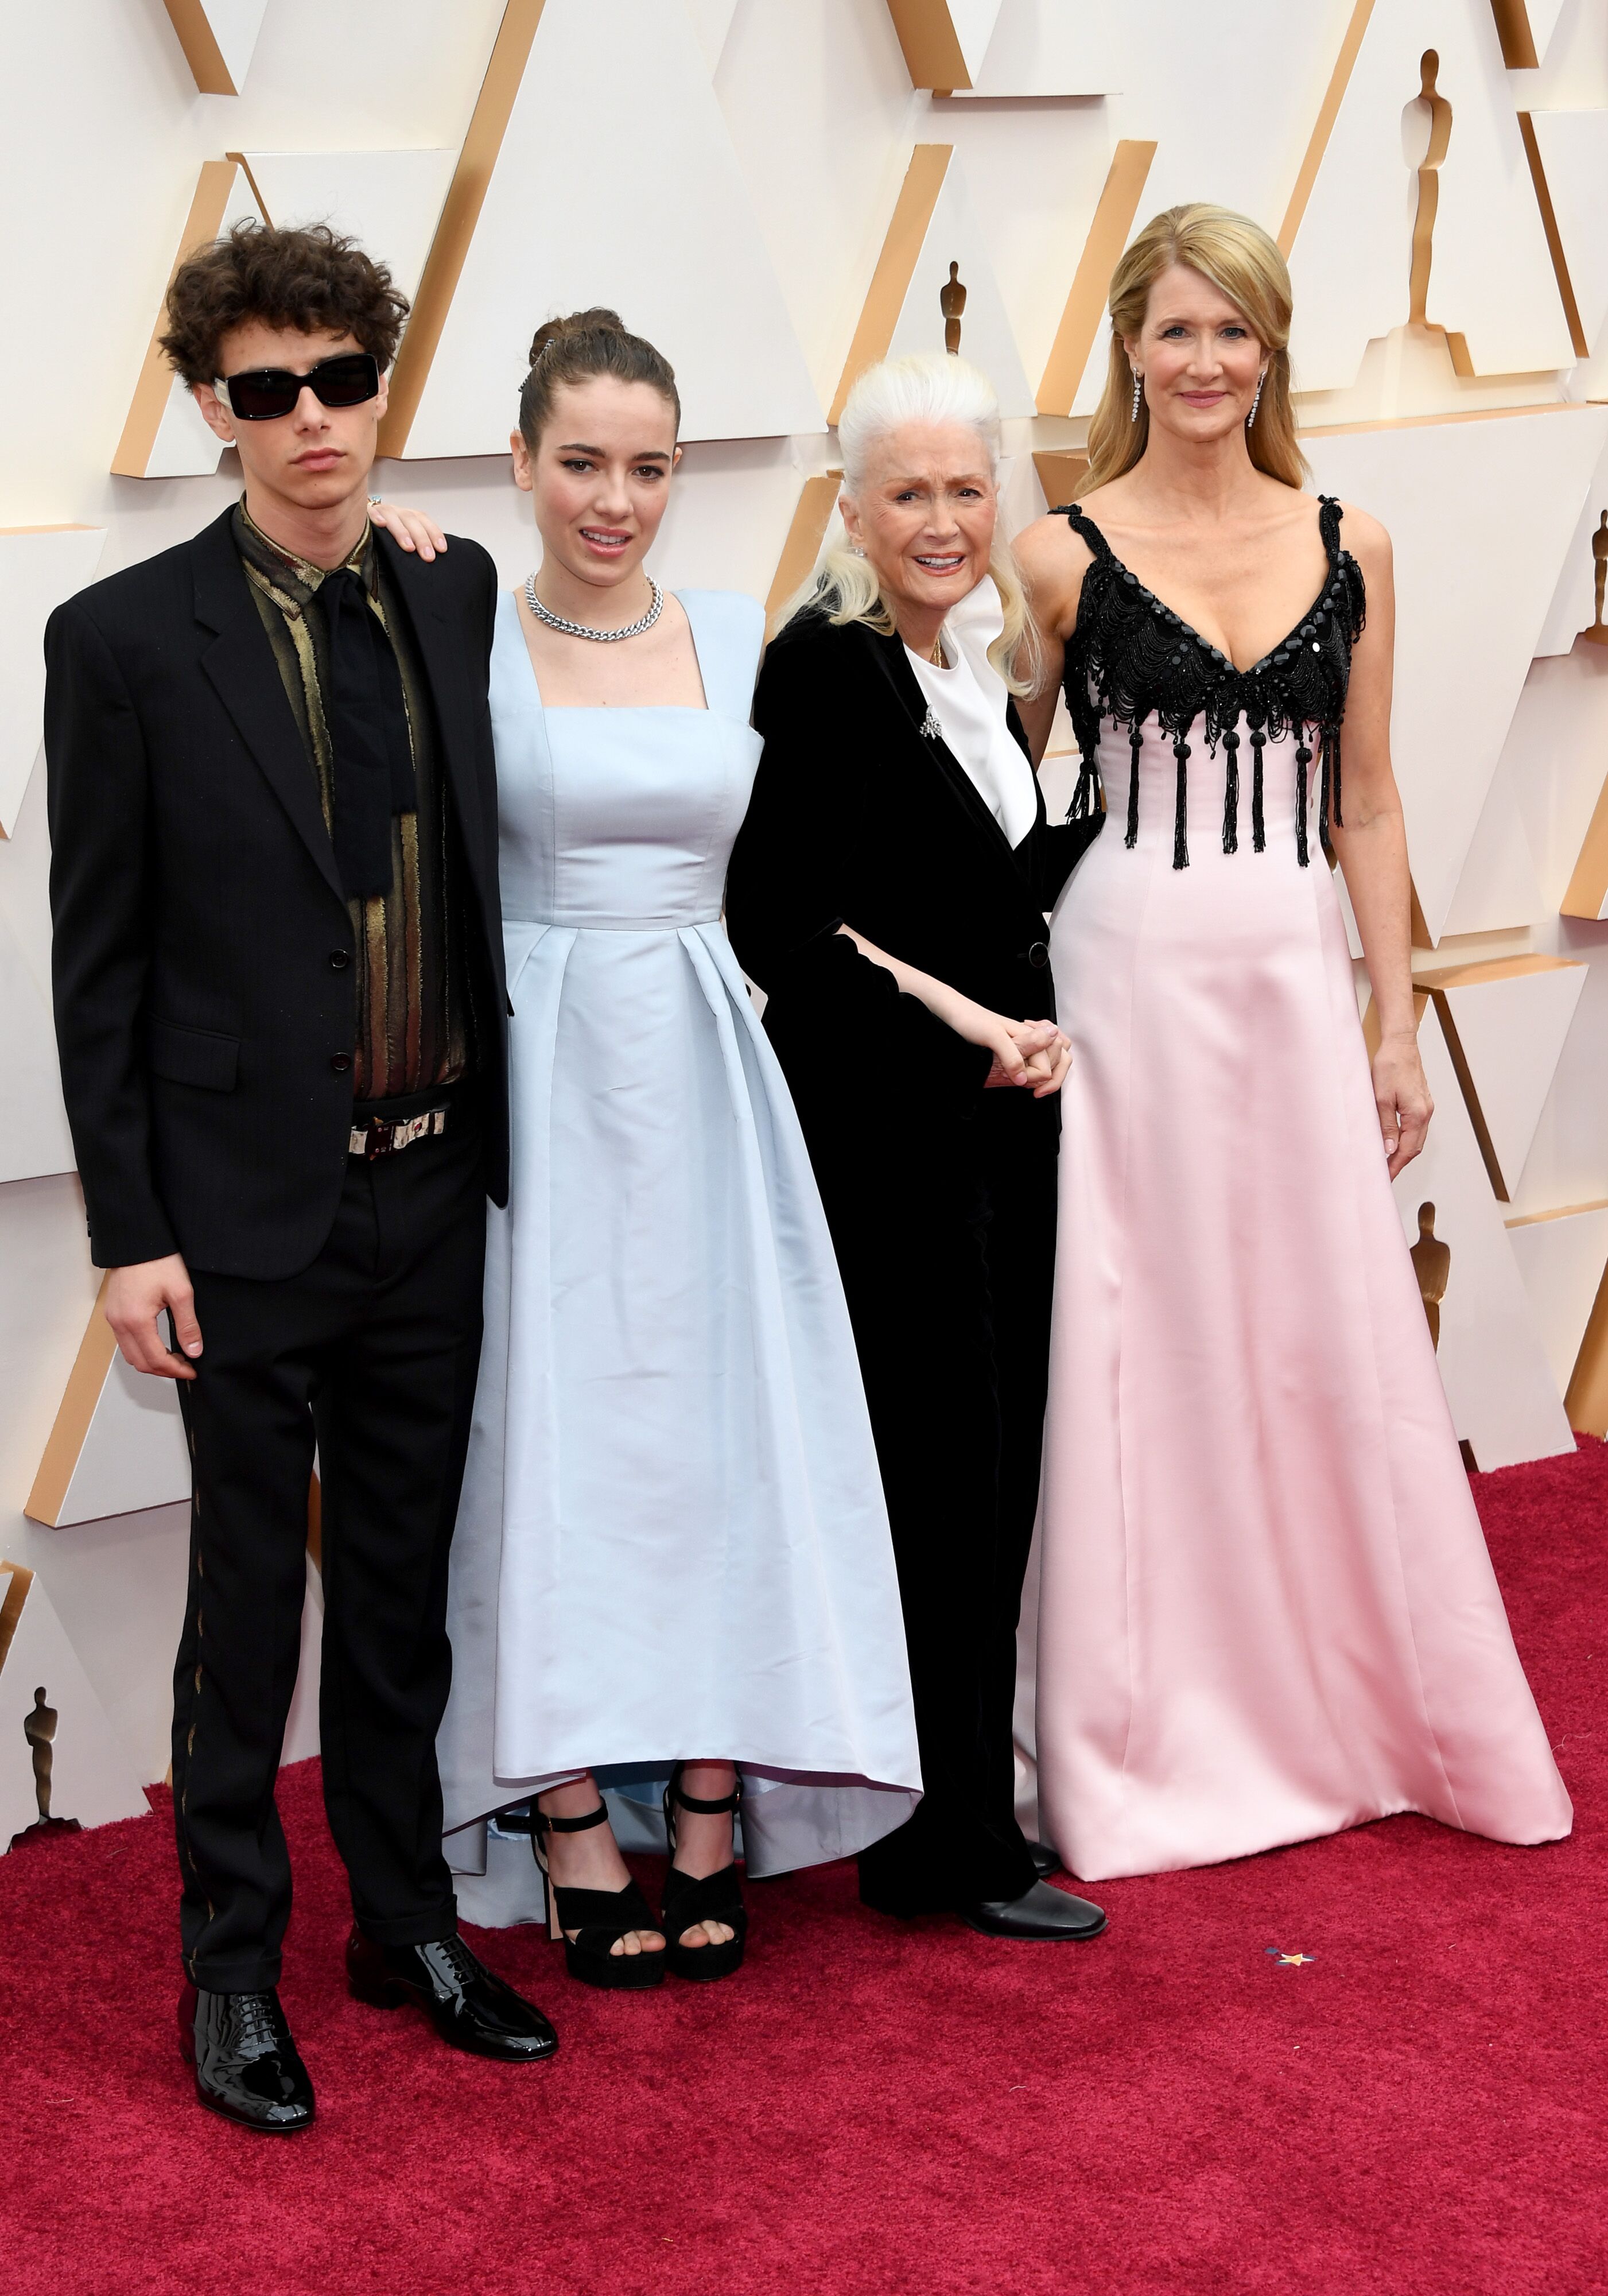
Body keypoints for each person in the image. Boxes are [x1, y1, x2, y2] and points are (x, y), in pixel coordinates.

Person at [44, 222, 557, 2134]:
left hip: (433, 1186)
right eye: (268, 391)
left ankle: (402, 1923)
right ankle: (233, 1971)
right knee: (248, 1609)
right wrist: (130, 1235)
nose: (313, 420)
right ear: (211, 409)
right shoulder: (116, 643)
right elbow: (94, 957)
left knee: (408, 1590)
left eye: (344, 381)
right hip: (241, 1218)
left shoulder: (453, 587)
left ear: (379, 388)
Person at [1013, 202, 1572, 1882]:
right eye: (1175, 330)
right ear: (1127, 345)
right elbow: (996, 788)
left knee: (1314, 1337)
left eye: (1233, 332)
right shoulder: (1054, 553)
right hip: (1117, 976)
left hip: (1287, 975)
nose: (1203, 362)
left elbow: (1372, 798)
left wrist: (1392, 1022)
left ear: (1269, 352)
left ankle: (1354, 1710)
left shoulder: (1355, 540)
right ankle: (1133, 1735)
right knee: (1138, 1339)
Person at [375, 309, 921, 1990]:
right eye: (582, 463)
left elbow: (803, 877)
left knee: (707, 1430)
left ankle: (706, 1791)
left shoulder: (740, 624)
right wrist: (399, 544)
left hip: (699, 1059)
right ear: (523, 461)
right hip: (535, 1068)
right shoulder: (453, 621)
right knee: (538, 1437)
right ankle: (556, 1810)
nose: (615, 499)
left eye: (649, 468)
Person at [724, 352, 1108, 1941]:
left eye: (966, 489)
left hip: (1005, 1130)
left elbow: (979, 884)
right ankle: (948, 1844)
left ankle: (947, 1817)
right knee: (947, 1479)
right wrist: (970, 1026)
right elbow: (781, 924)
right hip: (897, 1143)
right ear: (849, 508)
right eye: (908, 494)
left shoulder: (959, 663)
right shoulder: (825, 670)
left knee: (991, 1466)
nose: (942, 520)